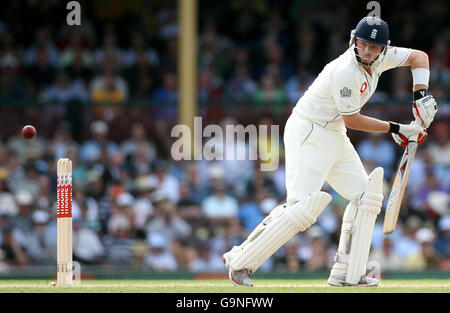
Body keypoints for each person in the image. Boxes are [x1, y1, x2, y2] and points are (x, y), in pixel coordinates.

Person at [222, 16, 438, 287]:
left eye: (374, 47)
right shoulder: (346, 70)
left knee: (366, 197)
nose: (368, 51)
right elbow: (354, 120)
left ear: (384, 48)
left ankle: (347, 273)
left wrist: (420, 96)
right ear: (354, 41)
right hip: (309, 131)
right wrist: (398, 128)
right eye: (363, 44)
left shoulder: (383, 57)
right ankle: (239, 260)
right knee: (302, 208)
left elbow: (420, 57)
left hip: (334, 132)